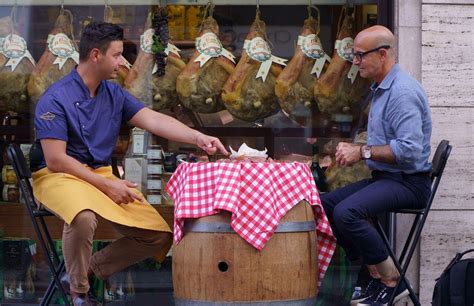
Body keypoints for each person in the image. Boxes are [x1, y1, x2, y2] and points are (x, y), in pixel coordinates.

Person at [32, 22, 228, 306]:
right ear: (96, 55)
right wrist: (108, 184)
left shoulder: (114, 94)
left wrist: (198, 137)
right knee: (83, 216)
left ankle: (83, 272)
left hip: (100, 174)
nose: (122, 62)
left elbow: (155, 120)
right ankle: (78, 295)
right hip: (58, 175)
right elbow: (56, 159)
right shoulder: (55, 98)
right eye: (117, 55)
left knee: (159, 236)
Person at [321, 25, 432, 306]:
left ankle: (392, 281)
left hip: (409, 182)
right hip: (388, 178)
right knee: (325, 204)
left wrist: (362, 151)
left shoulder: (402, 93)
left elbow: (410, 151)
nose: (355, 62)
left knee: (348, 213)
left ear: (382, 54)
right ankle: (372, 272)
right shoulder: (382, 89)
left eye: (360, 56)